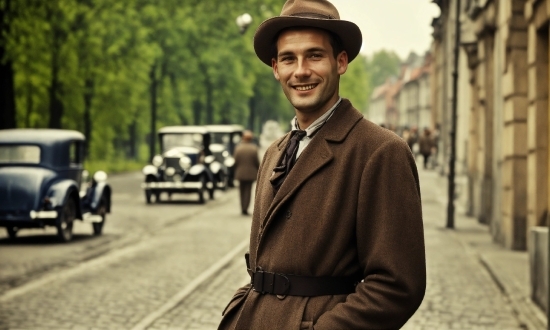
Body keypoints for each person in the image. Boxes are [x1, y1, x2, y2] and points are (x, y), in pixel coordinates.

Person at [218, 1, 426, 329]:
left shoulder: (382, 152)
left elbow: (397, 286)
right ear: (275, 68)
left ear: (340, 62)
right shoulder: (274, 151)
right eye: (288, 58)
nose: (300, 71)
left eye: (314, 55)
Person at [233, 130, 260, 215]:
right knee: (248, 191)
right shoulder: (254, 148)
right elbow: (257, 162)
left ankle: (242, 207)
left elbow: (235, 161)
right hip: (251, 173)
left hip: (240, 173)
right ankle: (246, 208)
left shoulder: (238, 148)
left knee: (241, 191)